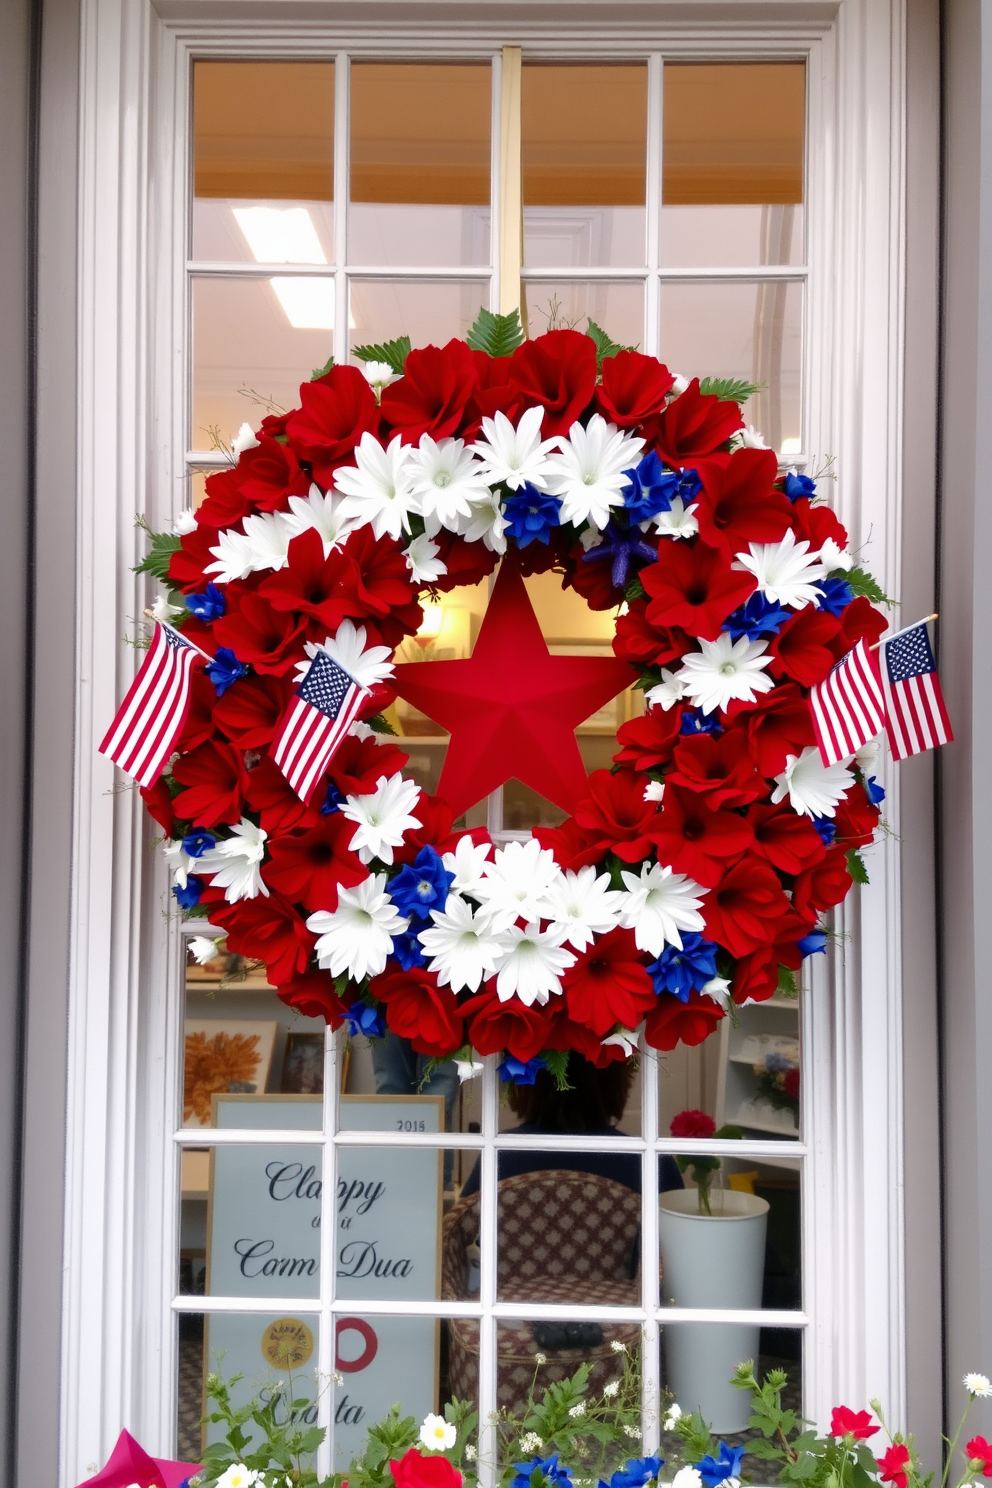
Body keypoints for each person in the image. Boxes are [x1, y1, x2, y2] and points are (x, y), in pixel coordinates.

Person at [460, 1054, 683, 1197]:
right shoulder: (653, 1165)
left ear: (524, 1080)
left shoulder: (497, 1157)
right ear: (618, 1082)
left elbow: (464, 1243)